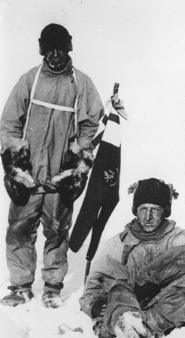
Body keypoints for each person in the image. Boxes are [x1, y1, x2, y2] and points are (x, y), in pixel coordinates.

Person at [0, 23, 103, 308]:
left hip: (60, 176)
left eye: (60, 49)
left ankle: (53, 287)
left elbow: (90, 126)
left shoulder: (80, 84)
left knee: (57, 231)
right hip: (29, 176)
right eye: (50, 49)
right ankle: (20, 286)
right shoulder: (30, 80)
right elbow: (9, 124)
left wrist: (77, 160)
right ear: (42, 50)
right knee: (19, 229)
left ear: (68, 48)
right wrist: (15, 162)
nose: (55, 55)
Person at [80, 178, 185, 338]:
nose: (148, 216)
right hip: (128, 302)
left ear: (165, 211)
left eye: (155, 210)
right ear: (135, 211)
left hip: (163, 306)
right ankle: (130, 326)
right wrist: (95, 305)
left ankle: (137, 328)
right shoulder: (118, 244)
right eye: (143, 209)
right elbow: (94, 287)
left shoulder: (180, 240)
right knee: (117, 288)